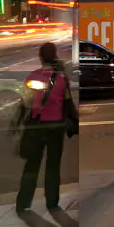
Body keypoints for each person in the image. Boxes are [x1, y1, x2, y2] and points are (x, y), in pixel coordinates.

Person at [16, 41, 70, 212]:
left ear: (40, 57)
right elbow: (67, 103)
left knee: (32, 164)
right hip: (56, 126)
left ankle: (24, 202)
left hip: (36, 127)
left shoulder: (32, 77)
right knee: (53, 165)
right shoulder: (61, 78)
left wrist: (18, 122)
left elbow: (24, 103)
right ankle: (52, 201)